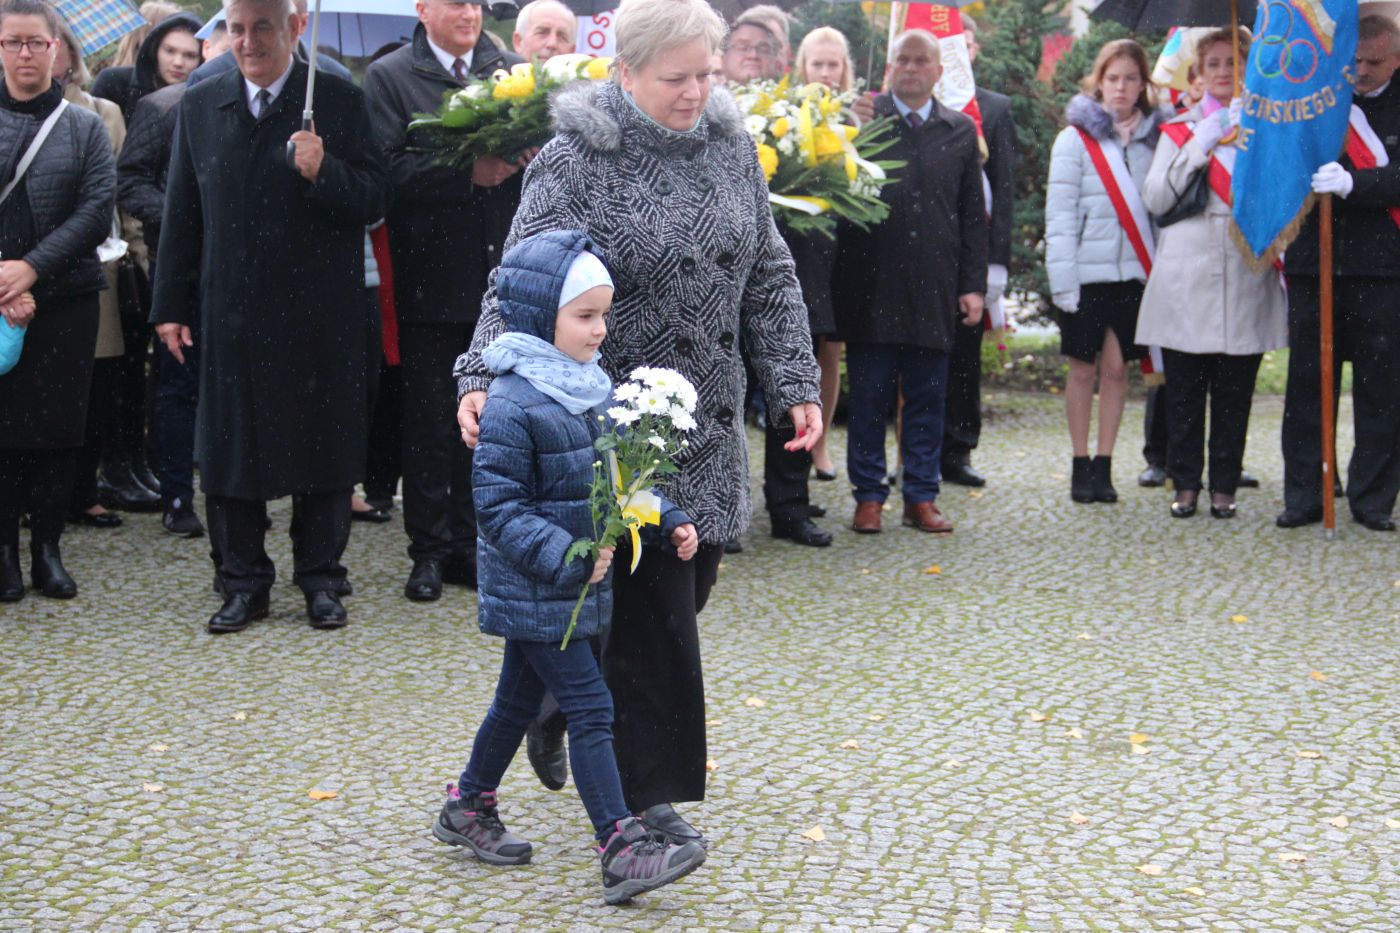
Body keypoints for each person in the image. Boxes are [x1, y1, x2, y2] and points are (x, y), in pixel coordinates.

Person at [454, 0, 822, 846]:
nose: (697, 92)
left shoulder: (733, 147)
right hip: (610, 424)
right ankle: (642, 808)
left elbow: (769, 269)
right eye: (676, 77)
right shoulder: (577, 157)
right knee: (657, 614)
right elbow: (520, 279)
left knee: (685, 588)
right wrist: (480, 372)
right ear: (625, 72)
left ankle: (553, 703)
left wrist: (794, 377)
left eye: (707, 74)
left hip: (708, 416)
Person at [435, 229, 706, 904]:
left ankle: (467, 804)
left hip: (573, 588)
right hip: (537, 586)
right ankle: (620, 845)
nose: (600, 328)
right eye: (585, 315)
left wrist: (666, 516)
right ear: (539, 317)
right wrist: (565, 555)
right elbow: (498, 507)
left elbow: (617, 479)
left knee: (516, 701)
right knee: (590, 705)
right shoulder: (512, 402)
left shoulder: (588, 389)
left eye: (603, 314)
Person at [150, 0, 388, 632]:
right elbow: (183, 211)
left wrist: (325, 170)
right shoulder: (203, 103)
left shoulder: (338, 100)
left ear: (295, 27)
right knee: (231, 451)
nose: (249, 41)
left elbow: (374, 197)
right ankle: (242, 581)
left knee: (324, 449)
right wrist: (169, 305)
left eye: (262, 27)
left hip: (320, 314)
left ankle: (321, 578)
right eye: (237, 28)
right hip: (232, 311)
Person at [363, 0, 525, 603]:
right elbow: (383, 170)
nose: (470, 13)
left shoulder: (511, 70)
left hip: (498, 275)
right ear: (424, 8)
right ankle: (429, 549)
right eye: (456, 2)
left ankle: (474, 542)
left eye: (477, 3)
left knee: (492, 421)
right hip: (428, 275)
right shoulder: (390, 76)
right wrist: (465, 174)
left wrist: (525, 154)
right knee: (432, 420)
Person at [833, 30, 986, 536]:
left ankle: (921, 494)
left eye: (923, 61)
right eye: (904, 59)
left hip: (934, 287)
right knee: (869, 399)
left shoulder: (960, 131)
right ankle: (869, 495)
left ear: (939, 71)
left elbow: (972, 215)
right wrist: (850, 129)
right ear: (890, 67)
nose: (913, 68)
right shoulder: (863, 120)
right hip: (871, 285)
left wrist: (973, 285)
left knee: (927, 399)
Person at [1136, 27, 1285, 519]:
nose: (1224, 72)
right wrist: (1200, 143)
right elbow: (1156, 197)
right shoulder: (1180, 131)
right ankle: (1185, 485)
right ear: (1198, 74)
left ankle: (1224, 486)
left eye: (1234, 63)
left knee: (1234, 391)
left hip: (1244, 268)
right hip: (1188, 272)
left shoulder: (1266, 127)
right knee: (1184, 391)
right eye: (1214, 64)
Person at [0, 0, 118, 601]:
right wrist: (5, 281)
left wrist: (33, 270)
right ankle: (4, 553)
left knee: (58, 429)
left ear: (57, 50)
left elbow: (96, 211)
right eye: (13, 42)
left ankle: (47, 548)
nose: (25, 54)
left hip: (66, 298)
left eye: (36, 43)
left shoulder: (84, 125)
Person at [1278, 14, 1400, 531]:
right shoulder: (1318, 98)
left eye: (1374, 62)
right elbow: (1284, 162)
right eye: (1355, 61)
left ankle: (1372, 500)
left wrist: (1357, 184)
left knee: (1381, 390)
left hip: (1382, 269)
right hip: (1316, 264)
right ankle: (1306, 494)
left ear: (1397, 59)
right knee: (1308, 385)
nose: (1362, 71)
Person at [1046, 39, 1167, 504]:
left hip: (1133, 274)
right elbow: (1059, 216)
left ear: (1143, 85)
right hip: (1085, 274)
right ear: (1099, 82)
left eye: (1131, 79)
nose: (1121, 87)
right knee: (1082, 369)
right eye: (1113, 78)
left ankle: (1105, 463)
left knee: (1117, 370)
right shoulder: (1074, 139)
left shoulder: (1155, 139)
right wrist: (1063, 282)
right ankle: (1080, 463)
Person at [51, 13, 129, 532]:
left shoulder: (100, 113)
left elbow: (111, 194)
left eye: (47, 42)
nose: (34, 53)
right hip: (18, 270)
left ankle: (82, 490)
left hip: (90, 262)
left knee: (91, 383)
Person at [941, 13, 1016, 489]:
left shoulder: (995, 108)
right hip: (929, 250)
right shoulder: (922, 103)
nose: (959, 52)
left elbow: (1003, 190)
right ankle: (915, 452)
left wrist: (997, 262)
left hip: (974, 253)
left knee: (965, 359)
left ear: (974, 50)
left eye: (964, 44)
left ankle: (959, 448)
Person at [790, 25, 851, 485]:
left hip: (847, 244)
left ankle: (823, 441)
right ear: (803, 67)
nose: (826, 72)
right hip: (803, 245)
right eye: (818, 64)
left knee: (831, 349)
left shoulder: (859, 117)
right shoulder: (785, 115)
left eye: (834, 64)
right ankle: (795, 442)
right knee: (800, 346)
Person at [184, 0, 353, 88]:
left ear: (298, 24)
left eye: (262, 27)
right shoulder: (208, 77)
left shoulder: (336, 78)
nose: (250, 42)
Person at [91, 10, 202, 121]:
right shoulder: (114, 83)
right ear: (155, 49)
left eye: (190, 55)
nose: (178, 62)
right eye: (169, 51)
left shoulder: (203, 100)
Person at [717, 14, 780, 85]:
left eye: (763, 49)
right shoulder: (709, 91)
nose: (753, 55)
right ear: (723, 59)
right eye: (743, 47)